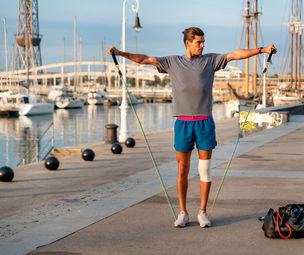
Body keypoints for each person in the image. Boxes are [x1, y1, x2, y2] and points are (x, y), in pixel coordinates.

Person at [108, 26, 276, 228]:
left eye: (203, 42)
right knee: (182, 170)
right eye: (199, 42)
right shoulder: (172, 62)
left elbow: (234, 55)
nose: (203, 45)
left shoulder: (210, 61)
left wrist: (262, 50)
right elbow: (145, 59)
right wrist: (120, 53)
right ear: (188, 43)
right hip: (183, 123)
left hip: (205, 121)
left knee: (204, 170)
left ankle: (203, 212)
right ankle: (183, 212)